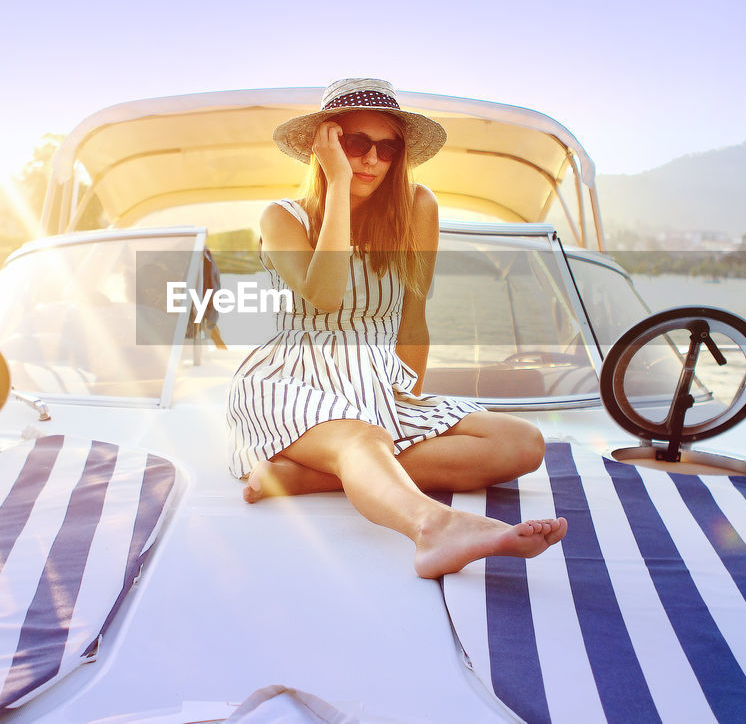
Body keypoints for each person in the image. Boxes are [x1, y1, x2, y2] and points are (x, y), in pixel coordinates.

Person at [226, 78, 567, 578]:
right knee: (364, 438)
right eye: (355, 143)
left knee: (522, 443)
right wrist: (338, 184)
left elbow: (413, 317)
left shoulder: (417, 208)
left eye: (387, 148)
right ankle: (434, 529)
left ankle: (309, 478)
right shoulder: (283, 217)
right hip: (289, 379)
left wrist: (404, 398)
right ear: (325, 146)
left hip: (374, 382)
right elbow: (325, 295)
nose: (370, 159)